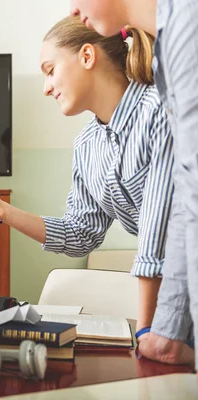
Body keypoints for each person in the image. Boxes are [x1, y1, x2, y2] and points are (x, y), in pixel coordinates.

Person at [0, 16, 173, 340]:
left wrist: (147, 328)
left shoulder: (163, 108)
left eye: (50, 70)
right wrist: (5, 212)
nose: (45, 88)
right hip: (170, 295)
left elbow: (159, 231)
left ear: (87, 56)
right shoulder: (86, 146)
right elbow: (80, 234)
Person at [70, 0, 197, 368]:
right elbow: (186, 202)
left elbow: (170, 210)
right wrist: (165, 332)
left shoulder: (187, 27)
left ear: (88, 57)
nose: (73, 9)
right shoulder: (165, 54)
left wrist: (154, 330)